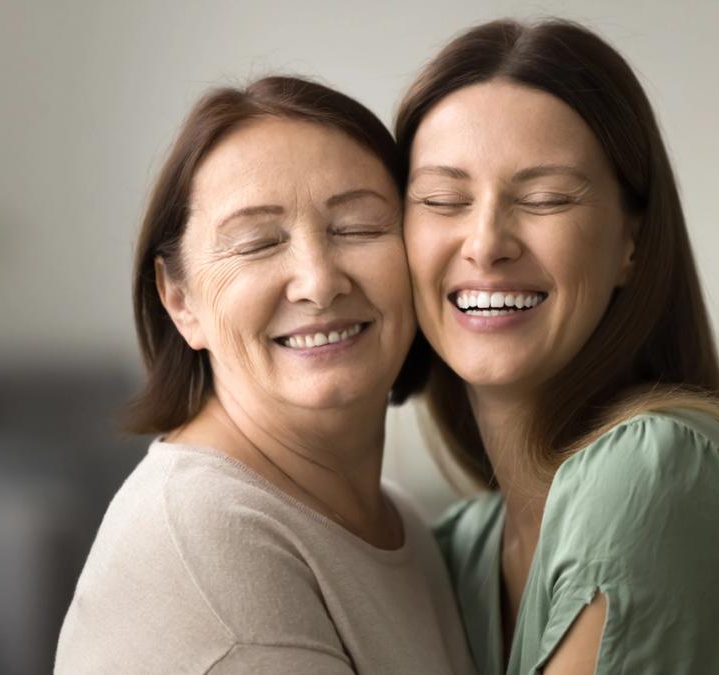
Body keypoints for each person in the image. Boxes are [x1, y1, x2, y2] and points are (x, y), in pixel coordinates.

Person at [395, 19, 719, 675]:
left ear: (630, 245)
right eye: (442, 199)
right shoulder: (460, 552)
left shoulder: (652, 475)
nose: (486, 241)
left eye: (545, 197)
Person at [56, 75, 474, 674]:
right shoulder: (211, 542)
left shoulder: (395, 519)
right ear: (180, 300)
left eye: (357, 228)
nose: (319, 280)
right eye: (256, 243)